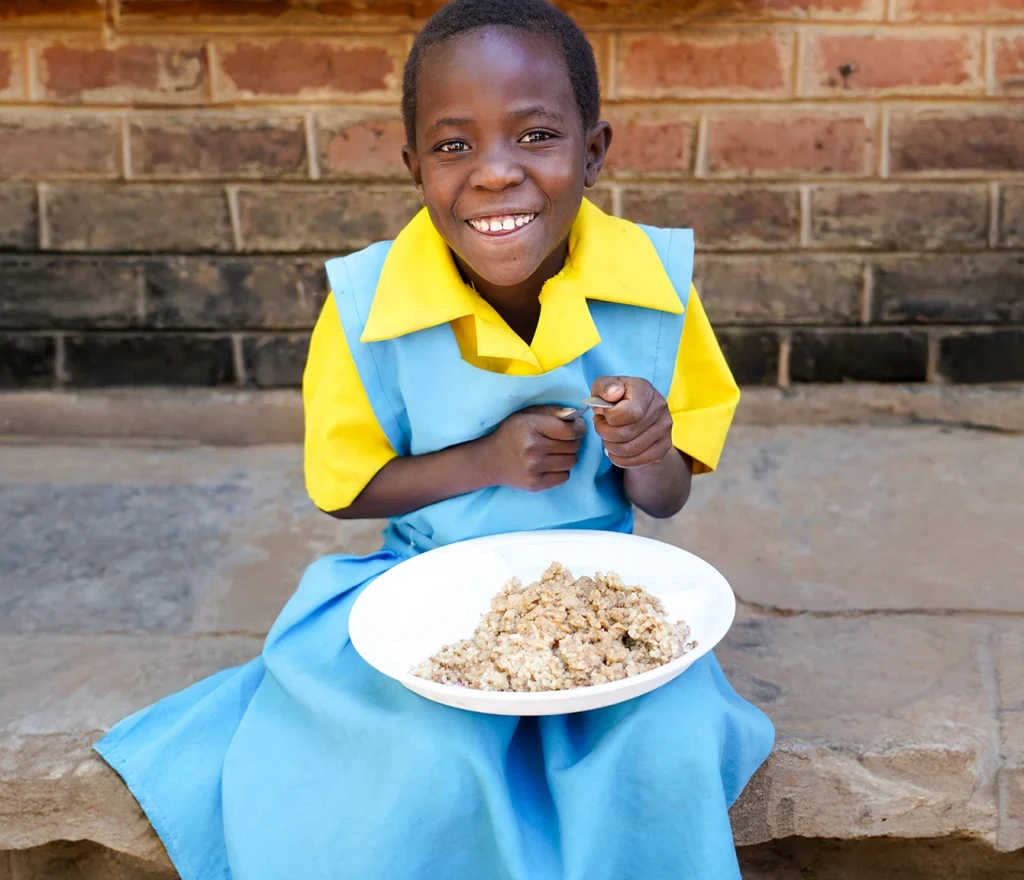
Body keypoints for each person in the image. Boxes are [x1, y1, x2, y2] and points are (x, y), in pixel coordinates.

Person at [94, 0, 774, 876]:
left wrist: (649, 449)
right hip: (417, 593)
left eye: (535, 136)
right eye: (455, 146)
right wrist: (484, 462)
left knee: (666, 752)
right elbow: (343, 488)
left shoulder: (657, 287)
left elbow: (667, 498)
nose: (496, 174)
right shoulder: (368, 305)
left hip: (610, 597)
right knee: (417, 768)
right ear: (414, 165)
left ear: (595, 152)